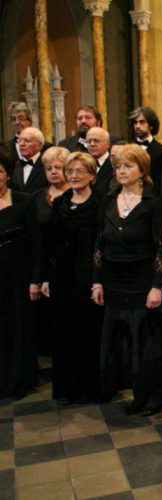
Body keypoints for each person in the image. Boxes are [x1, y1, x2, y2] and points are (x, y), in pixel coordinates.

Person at [92, 144, 162, 416]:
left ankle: (155, 393)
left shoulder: (153, 203)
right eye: (118, 166)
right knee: (124, 340)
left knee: (146, 339)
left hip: (142, 280)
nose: (121, 171)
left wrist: (156, 286)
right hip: (114, 279)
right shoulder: (107, 200)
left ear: (142, 170)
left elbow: (161, 247)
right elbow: (98, 243)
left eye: (128, 166)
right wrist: (97, 282)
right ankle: (137, 392)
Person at [38, 152, 103, 403]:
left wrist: (98, 279)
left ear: (91, 175)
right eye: (70, 172)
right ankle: (69, 388)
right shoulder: (63, 201)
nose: (73, 176)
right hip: (62, 277)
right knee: (65, 333)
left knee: (89, 333)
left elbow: (101, 243)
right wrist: (45, 278)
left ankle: (91, 387)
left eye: (79, 171)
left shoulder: (100, 203)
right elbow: (49, 243)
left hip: (88, 277)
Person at [27, 146, 70, 356]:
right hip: (44, 264)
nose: (53, 172)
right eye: (48, 168)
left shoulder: (76, 194)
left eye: (58, 167)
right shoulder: (36, 198)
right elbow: (34, 237)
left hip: (70, 266)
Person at [0, 154, 37, 399]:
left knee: (18, 326)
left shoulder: (24, 202)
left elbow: (36, 243)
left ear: (8, 174)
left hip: (17, 276)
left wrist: (35, 278)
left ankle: (18, 380)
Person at [129, 107, 162, 194]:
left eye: (142, 122)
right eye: (135, 123)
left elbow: (161, 181)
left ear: (151, 126)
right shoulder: (127, 148)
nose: (137, 126)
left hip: (152, 198)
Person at [10, 127, 48, 194]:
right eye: (19, 140)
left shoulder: (47, 165)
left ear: (39, 145)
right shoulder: (14, 165)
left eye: (27, 141)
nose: (21, 144)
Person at [85, 127, 116, 196]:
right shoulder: (83, 165)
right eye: (89, 141)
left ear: (108, 144)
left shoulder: (114, 164)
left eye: (96, 141)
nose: (92, 144)